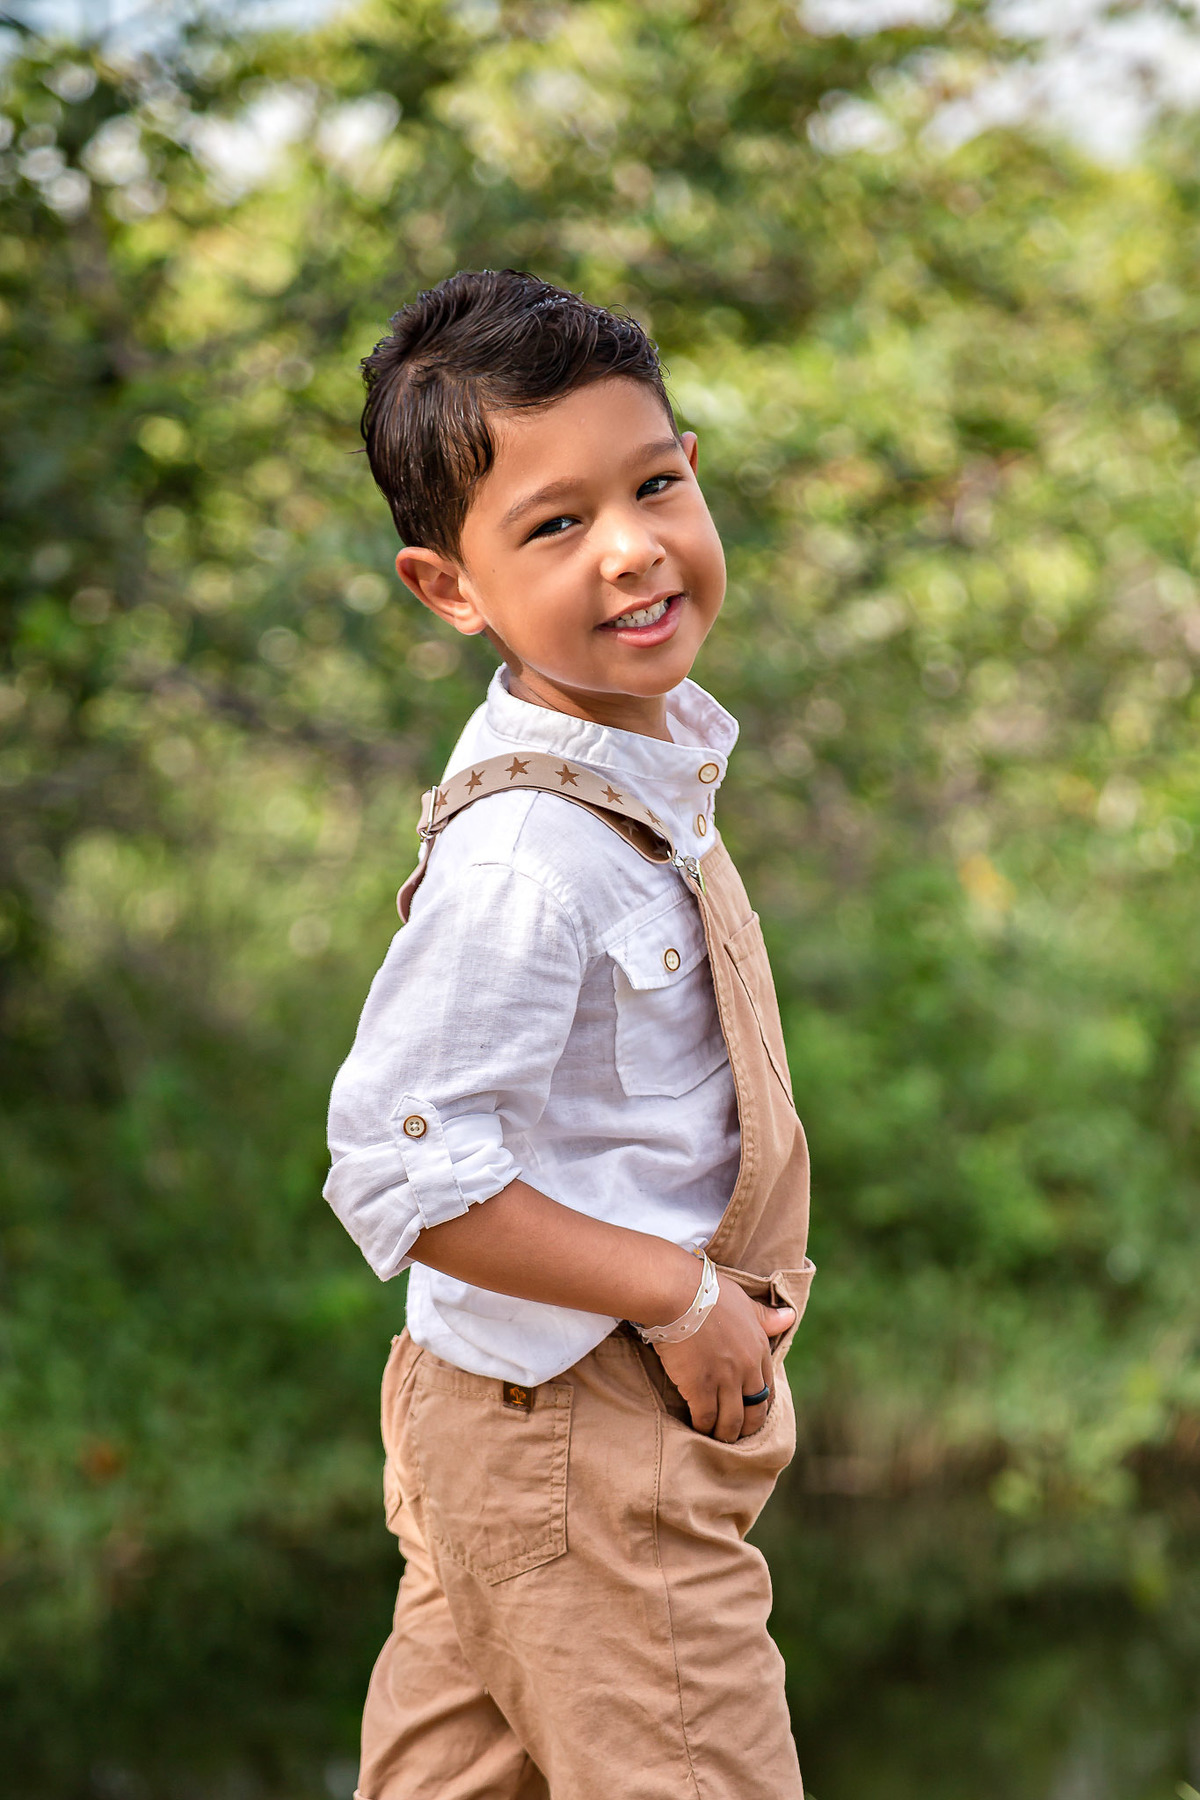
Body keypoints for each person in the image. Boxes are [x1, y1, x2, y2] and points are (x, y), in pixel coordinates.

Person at [324, 268, 814, 1800]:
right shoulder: (531, 855)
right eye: (553, 525)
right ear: (448, 587)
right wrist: (680, 1297)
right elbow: (405, 1174)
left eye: (656, 482)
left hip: (503, 1429)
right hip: (582, 1439)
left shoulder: (646, 758)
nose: (633, 549)